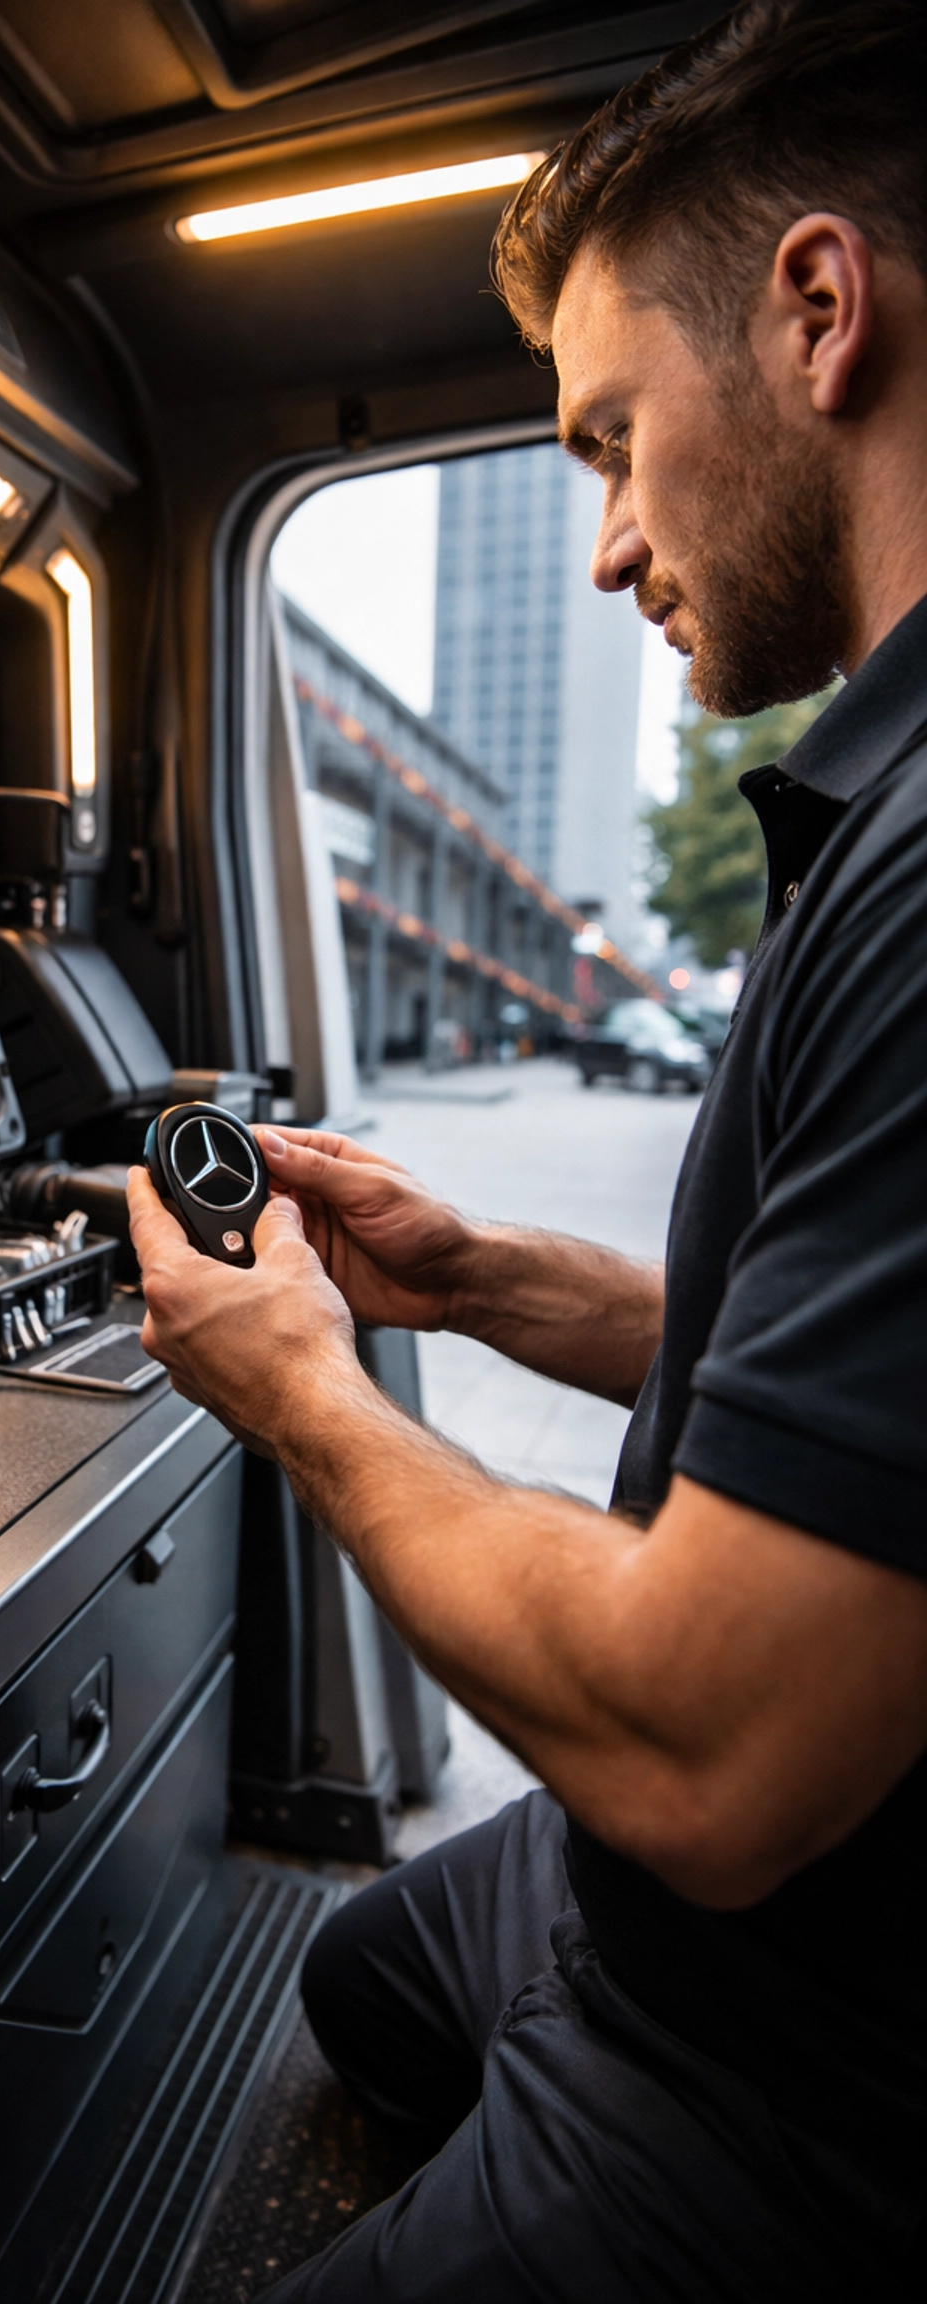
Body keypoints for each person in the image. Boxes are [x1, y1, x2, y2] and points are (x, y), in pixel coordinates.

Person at [127, 2, 927, 2293]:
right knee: (361, 1978)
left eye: (606, 441)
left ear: (815, 309)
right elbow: (849, 1398)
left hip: (799, 2074)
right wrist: (476, 1281)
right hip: (652, 1923)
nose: (602, 548)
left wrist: (293, 1387)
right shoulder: (871, 808)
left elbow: (705, 1752)